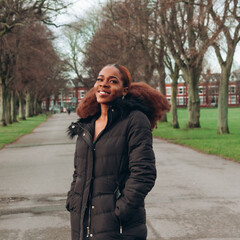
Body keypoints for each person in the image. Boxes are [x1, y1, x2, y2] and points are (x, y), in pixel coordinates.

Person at [66, 64, 170, 240]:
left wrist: (120, 211)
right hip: (82, 223)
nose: (104, 84)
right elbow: (79, 172)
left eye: (112, 81)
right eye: (100, 79)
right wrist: (73, 201)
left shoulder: (135, 120)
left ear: (124, 90)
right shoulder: (86, 126)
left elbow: (143, 173)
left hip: (118, 227)